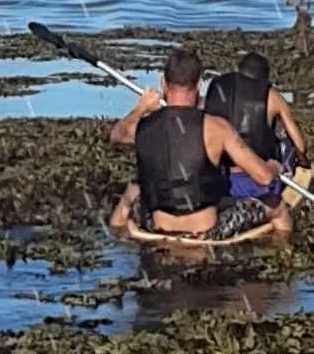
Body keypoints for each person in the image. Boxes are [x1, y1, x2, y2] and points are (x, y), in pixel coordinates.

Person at [109, 48, 288, 240]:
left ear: (163, 83)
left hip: (156, 226)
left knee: (134, 189)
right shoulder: (217, 127)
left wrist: (141, 107)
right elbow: (264, 177)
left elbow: (116, 135)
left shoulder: (143, 125)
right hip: (206, 231)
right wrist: (274, 166)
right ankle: (279, 248)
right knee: (277, 206)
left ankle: (116, 231)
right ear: (199, 84)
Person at [203, 52, 310, 209]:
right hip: (258, 181)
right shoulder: (272, 97)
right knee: (287, 143)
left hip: (220, 179)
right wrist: (303, 163)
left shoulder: (216, 87)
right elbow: (300, 146)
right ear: (265, 78)